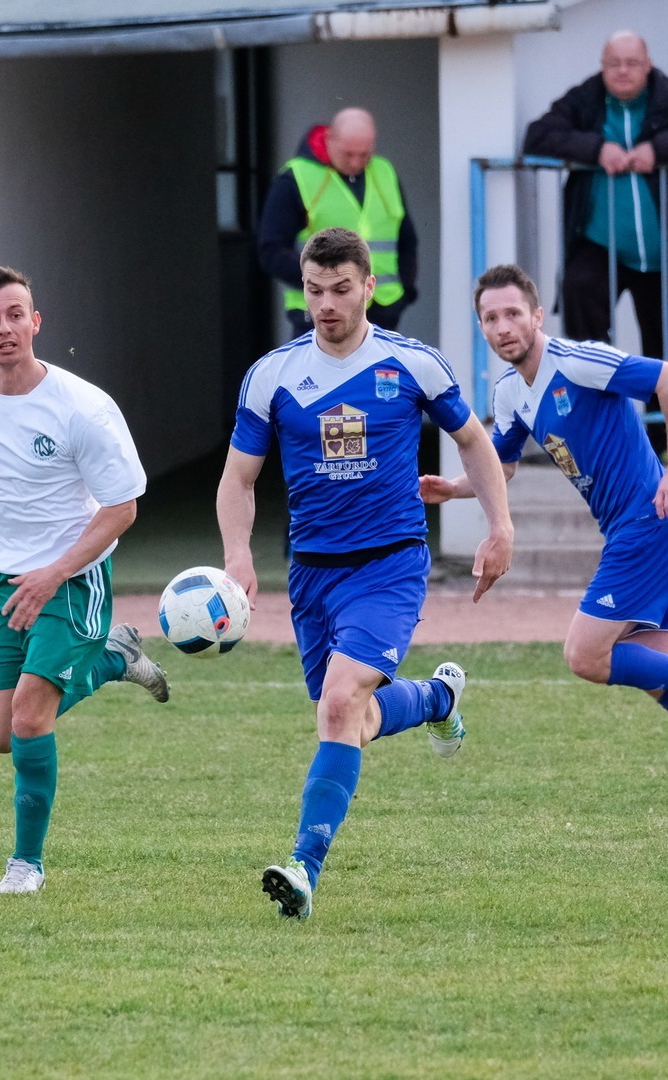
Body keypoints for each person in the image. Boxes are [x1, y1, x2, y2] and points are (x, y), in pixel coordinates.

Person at [216, 227, 513, 920]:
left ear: (370, 287)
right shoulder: (273, 375)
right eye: (313, 290)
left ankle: (304, 869)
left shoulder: (412, 364)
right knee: (352, 716)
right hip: (312, 573)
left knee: (340, 702)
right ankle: (437, 699)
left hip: (390, 564)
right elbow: (238, 478)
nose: (325, 304)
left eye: (341, 289)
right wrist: (237, 553)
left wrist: (499, 526)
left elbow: (474, 442)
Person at [422, 264, 668, 802]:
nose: (503, 327)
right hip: (636, 528)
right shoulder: (509, 393)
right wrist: (452, 488)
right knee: (655, 677)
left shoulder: (577, 360)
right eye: (490, 318)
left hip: (650, 518)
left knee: (584, 656)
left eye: (513, 313)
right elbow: (501, 465)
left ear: (537, 316)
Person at [0, 262, 169, 896]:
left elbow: (122, 507)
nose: (5, 328)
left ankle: (26, 866)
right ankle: (114, 658)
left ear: (36, 322)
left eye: (16, 315)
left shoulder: (83, 409)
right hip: (0, 579)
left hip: (72, 581)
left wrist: (55, 572)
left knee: (28, 717)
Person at [522, 31, 668, 375]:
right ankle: (597, 400)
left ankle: (662, 413)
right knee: (580, 301)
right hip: (601, 244)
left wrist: (659, 150)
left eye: (632, 63)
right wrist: (596, 150)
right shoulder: (585, 99)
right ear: (602, 66)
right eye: (614, 63)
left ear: (648, 65)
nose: (623, 70)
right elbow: (538, 136)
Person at [257, 106, 419, 340]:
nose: (356, 162)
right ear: (329, 138)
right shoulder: (296, 177)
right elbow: (271, 249)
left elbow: (407, 241)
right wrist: (324, 284)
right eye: (348, 154)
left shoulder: (384, 171)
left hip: (381, 311)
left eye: (364, 154)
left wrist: (405, 292)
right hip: (319, 315)